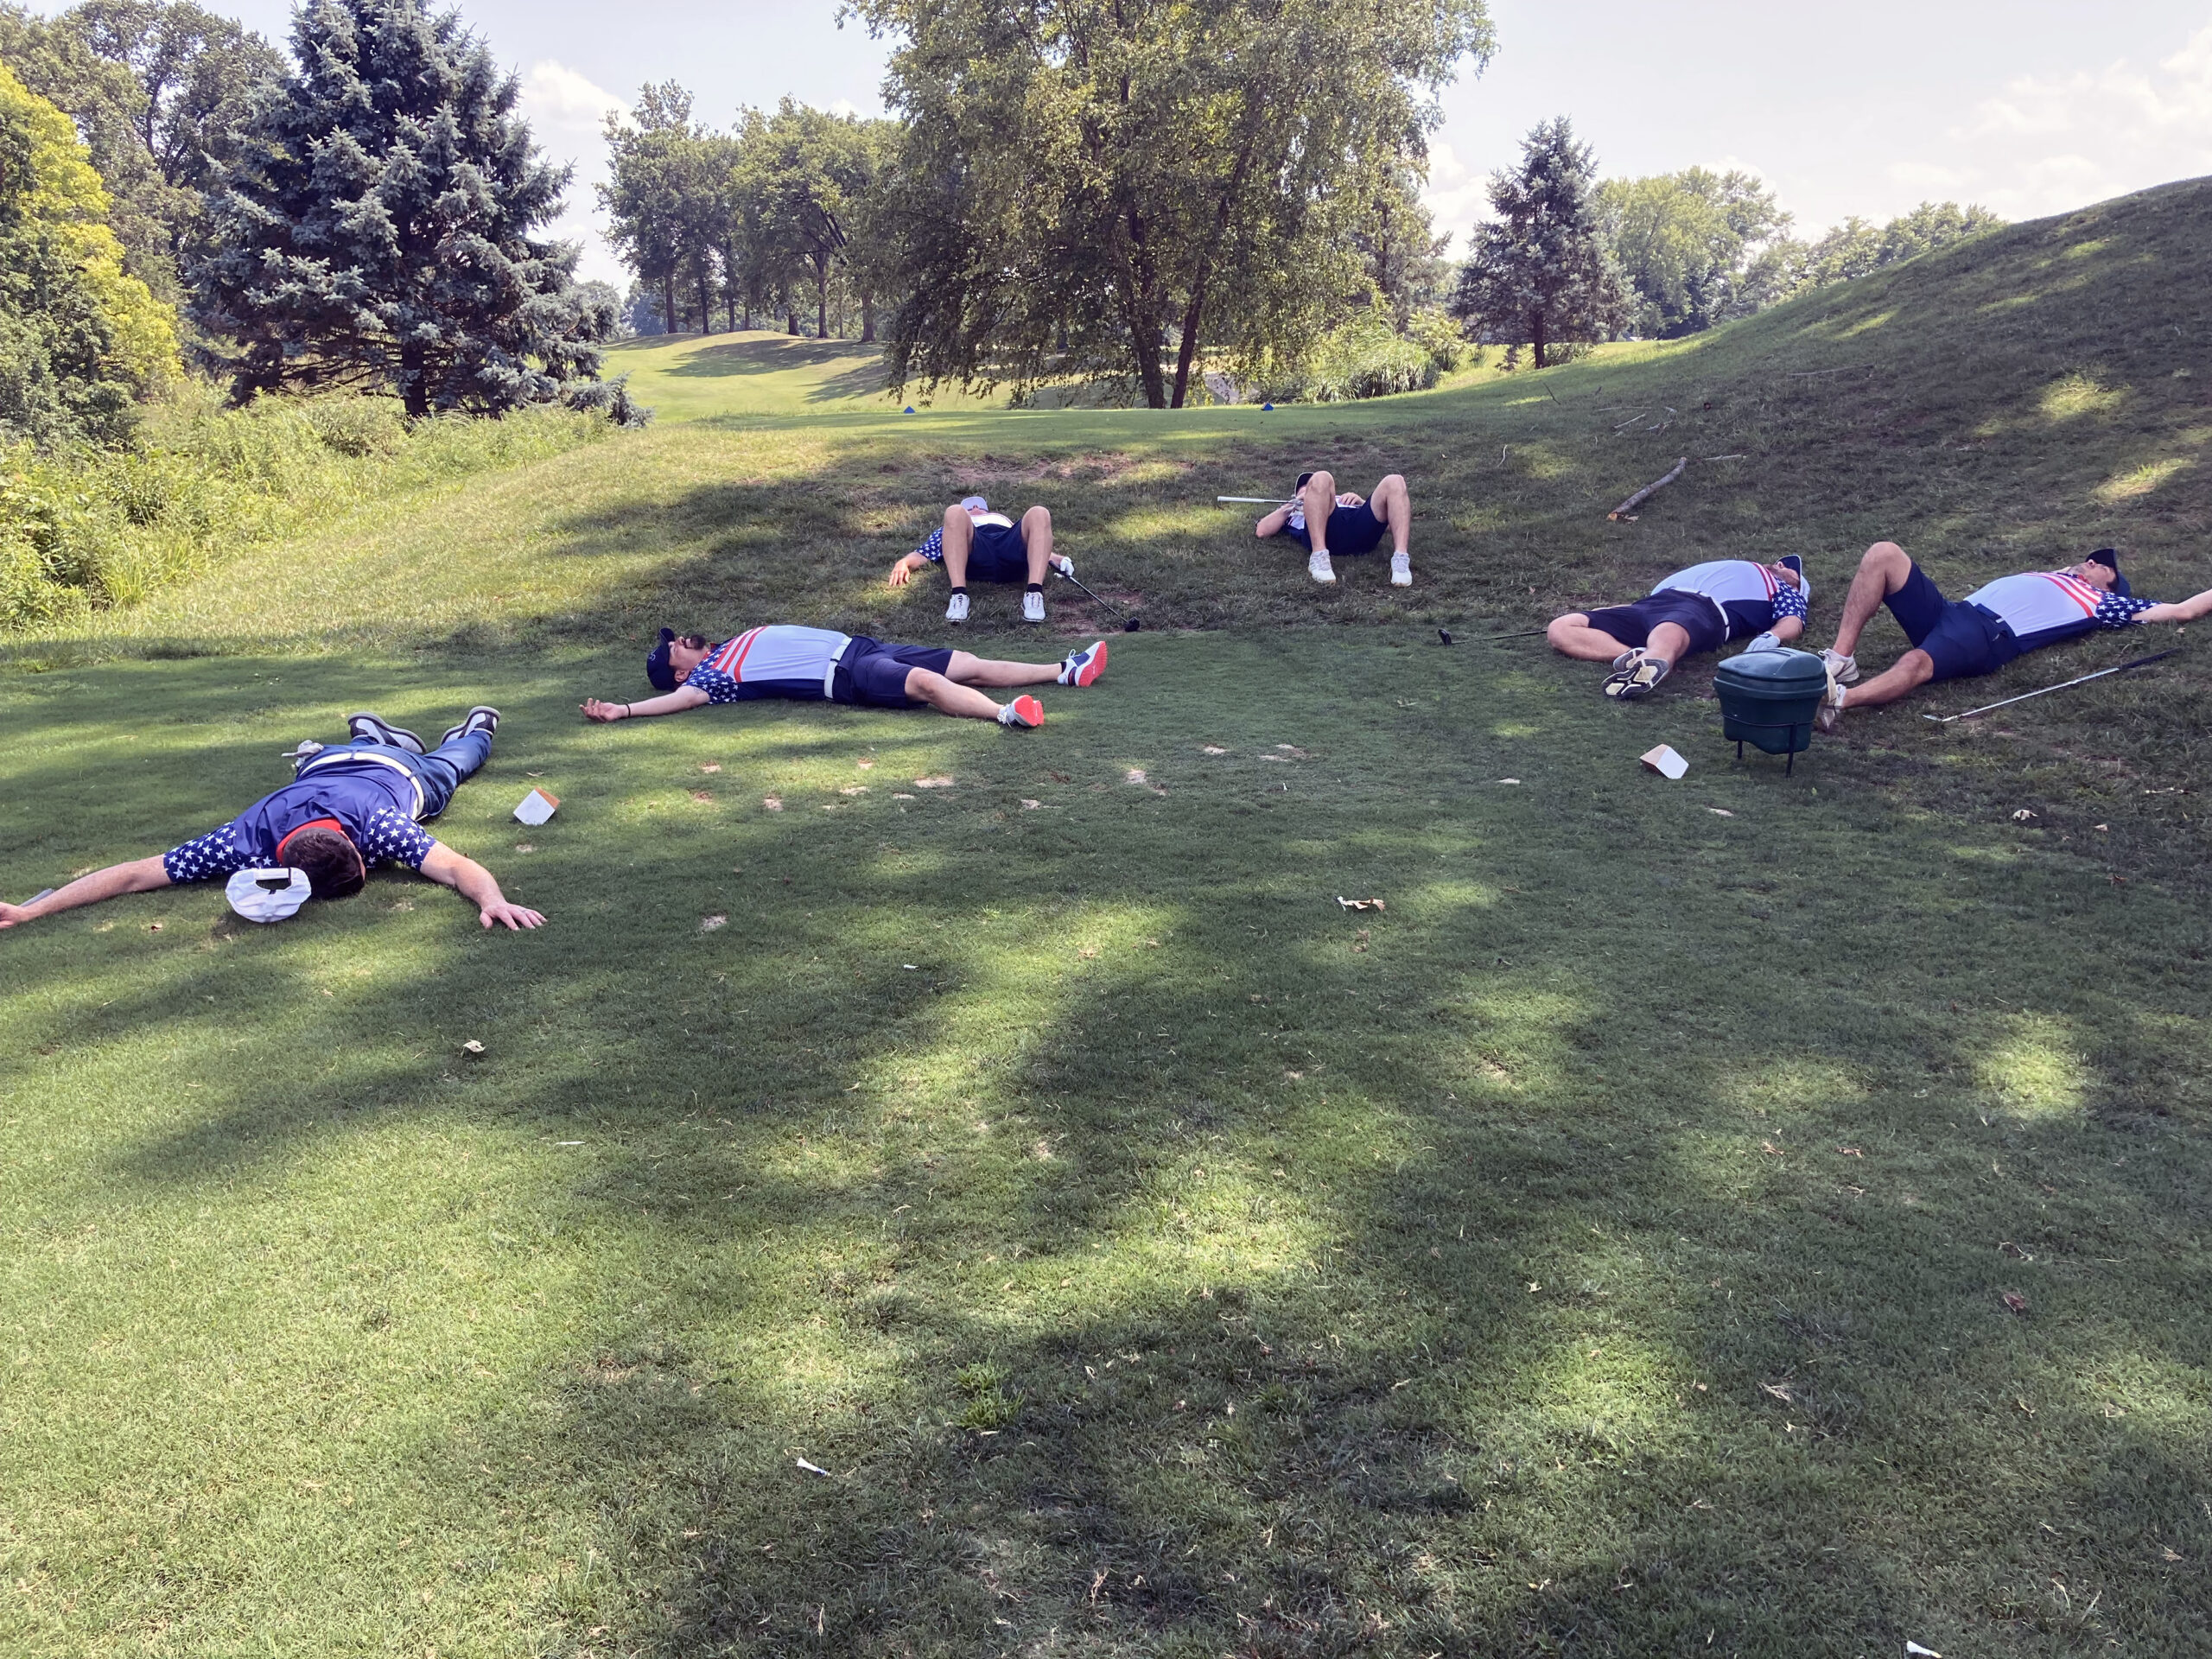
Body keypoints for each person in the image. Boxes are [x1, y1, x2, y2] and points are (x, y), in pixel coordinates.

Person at [0, 709, 545, 931]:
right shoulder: (248, 843)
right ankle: (405, 731)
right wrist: (32, 911)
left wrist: (492, 899)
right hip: (332, 763)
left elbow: (458, 869)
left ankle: (429, 732)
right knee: (453, 761)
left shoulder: (254, 840)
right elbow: (132, 876)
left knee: (454, 765)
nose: (378, 863)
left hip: (375, 769)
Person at [1813, 541, 2212, 728]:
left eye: (2103, 568)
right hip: (1954, 610)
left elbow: (2183, 610)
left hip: (1989, 635)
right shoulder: (2057, 577)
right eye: (2094, 561)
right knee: (1884, 553)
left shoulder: (2102, 603)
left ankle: (1838, 700)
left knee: (1917, 663)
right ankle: (1841, 661)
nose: (2091, 563)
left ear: (2110, 586)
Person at [581, 626, 1109, 730]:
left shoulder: (726, 646)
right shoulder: (714, 677)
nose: (682, 640)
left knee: (964, 662)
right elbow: (685, 703)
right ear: (677, 672)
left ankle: (1066, 671)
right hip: (848, 673)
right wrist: (623, 710)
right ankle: (1006, 714)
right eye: (675, 648)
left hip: (861, 646)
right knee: (927, 686)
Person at [1546, 556, 1811, 698]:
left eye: (1790, 570)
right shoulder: (1743, 568)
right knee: (1561, 628)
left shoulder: (1783, 590)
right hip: (1653, 604)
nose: (1781, 565)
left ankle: (1655, 660)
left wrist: (1772, 637)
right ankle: (1639, 657)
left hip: (1705, 608)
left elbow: (1793, 621)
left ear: (1797, 584)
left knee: (1670, 628)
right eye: (1780, 562)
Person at [886, 495, 1071, 622]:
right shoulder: (956, 523)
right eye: (970, 506)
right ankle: (959, 596)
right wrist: (904, 562)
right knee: (953, 511)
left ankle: (1034, 595)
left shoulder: (1003, 520)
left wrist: (1059, 559)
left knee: (1039, 512)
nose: (975, 508)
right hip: (976, 549)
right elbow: (927, 551)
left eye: (979, 506)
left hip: (1007, 545)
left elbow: (1035, 542)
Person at [1255, 469, 1414, 587]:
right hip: (1326, 534)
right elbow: (1262, 530)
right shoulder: (1291, 511)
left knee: (1395, 480)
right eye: (1306, 488)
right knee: (1322, 476)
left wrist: (1362, 503)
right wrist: (1292, 504)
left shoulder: (1341, 499)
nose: (1310, 489)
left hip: (1358, 529)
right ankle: (1319, 558)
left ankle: (1400, 560)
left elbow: (1389, 527)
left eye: (1311, 487)